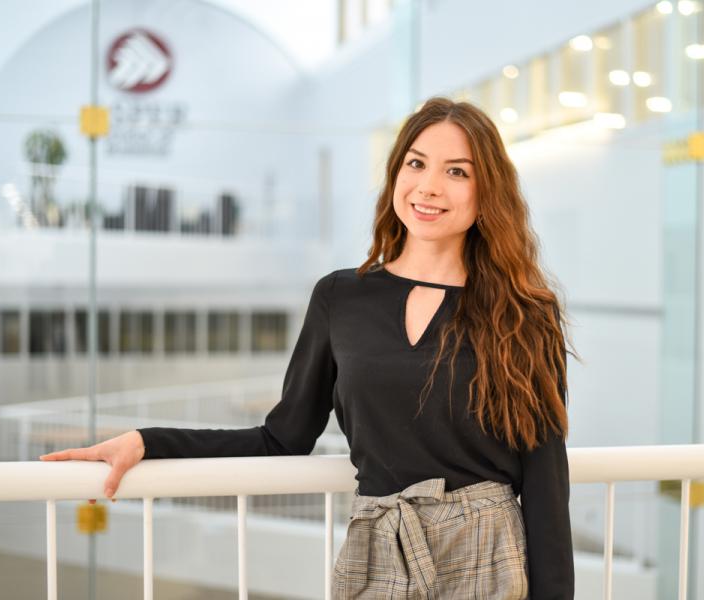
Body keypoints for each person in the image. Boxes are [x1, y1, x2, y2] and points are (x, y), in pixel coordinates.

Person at [41, 97, 579, 599]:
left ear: (487, 193)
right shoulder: (340, 297)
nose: (429, 186)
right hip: (378, 551)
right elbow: (281, 438)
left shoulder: (523, 312)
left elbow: (546, 482)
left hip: (489, 555)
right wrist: (148, 441)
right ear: (396, 175)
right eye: (415, 164)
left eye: (456, 171)